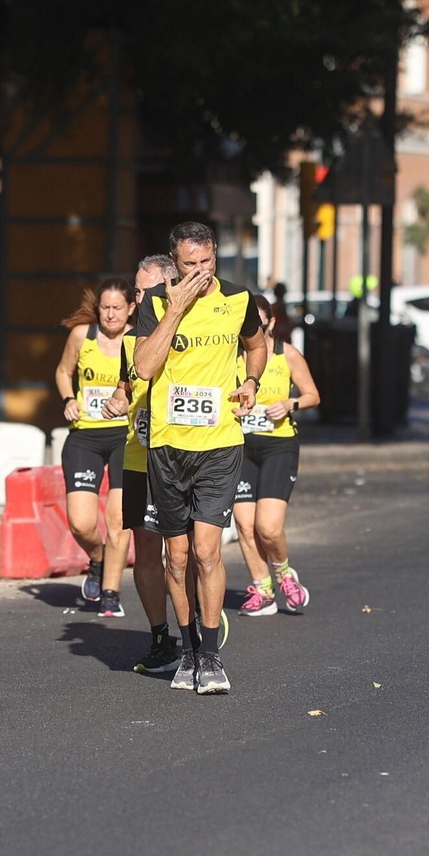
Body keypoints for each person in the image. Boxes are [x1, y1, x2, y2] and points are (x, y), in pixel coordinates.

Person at [133, 222, 267, 694]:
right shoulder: (153, 304)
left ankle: (211, 657)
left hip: (220, 444)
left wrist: (250, 382)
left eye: (206, 263)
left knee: (207, 551)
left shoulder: (237, 299)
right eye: (189, 265)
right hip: (168, 447)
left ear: (216, 259)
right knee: (177, 556)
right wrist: (175, 310)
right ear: (175, 263)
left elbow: (256, 344)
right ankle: (187, 652)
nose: (199, 273)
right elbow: (145, 367)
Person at [101, 255, 184, 670]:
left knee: (184, 551)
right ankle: (160, 638)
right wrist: (117, 401)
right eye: (135, 291)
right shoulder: (132, 339)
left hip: (186, 455)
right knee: (146, 547)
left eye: (144, 291)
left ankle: (195, 631)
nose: (136, 299)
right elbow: (125, 386)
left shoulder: (200, 330)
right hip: (140, 455)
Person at [233, 293, 321, 616]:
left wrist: (290, 404)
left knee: (268, 527)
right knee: (244, 525)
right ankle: (263, 589)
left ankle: (283, 573)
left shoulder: (287, 355)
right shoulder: (233, 358)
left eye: (257, 321)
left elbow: (313, 395)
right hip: (241, 446)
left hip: (278, 445)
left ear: (270, 322)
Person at [54, 279, 134, 611]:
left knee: (118, 519)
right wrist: (69, 398)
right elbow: (62, 371)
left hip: (125, 437)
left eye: (118, 308)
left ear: (131, 308)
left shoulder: (139, 339)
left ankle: (111, 594)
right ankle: (98, 558)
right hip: (85, 436)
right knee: (82, 523)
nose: (111, 314)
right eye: (105, 307)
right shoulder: (82, 335)